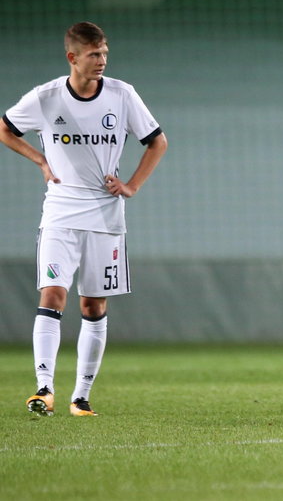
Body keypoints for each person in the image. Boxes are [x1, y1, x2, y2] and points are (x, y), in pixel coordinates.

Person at [1, 22, 167, 417]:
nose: (102, 61)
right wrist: (40, 158)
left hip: (106, 217)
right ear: (72, 57)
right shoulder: (47, 97)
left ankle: (81, 397)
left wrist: (132, 185)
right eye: (94, 55)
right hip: (60, 212)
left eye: (105, 53)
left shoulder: (122, 95)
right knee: (52, 295)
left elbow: (157, 141)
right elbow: (5, 130)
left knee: (92, 306)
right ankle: (44, 388)